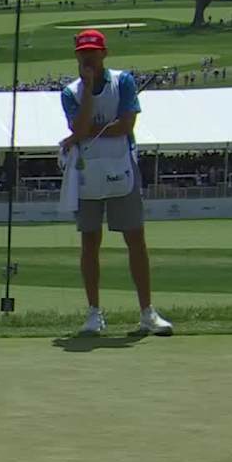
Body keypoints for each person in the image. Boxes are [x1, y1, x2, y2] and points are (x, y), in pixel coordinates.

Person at [59, 29, 173, 336]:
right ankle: (94, 313)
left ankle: (147, 312)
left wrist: (86, 132)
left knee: (135, 239)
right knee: (90, 242)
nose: (88, 58)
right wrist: (87, 93)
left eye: (93, 52)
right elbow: (80, 126)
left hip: (122, 167)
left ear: (104, 53)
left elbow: (125, 125)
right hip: (87, 172)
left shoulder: (123, 81)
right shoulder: (70, 92)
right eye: (83, 53)